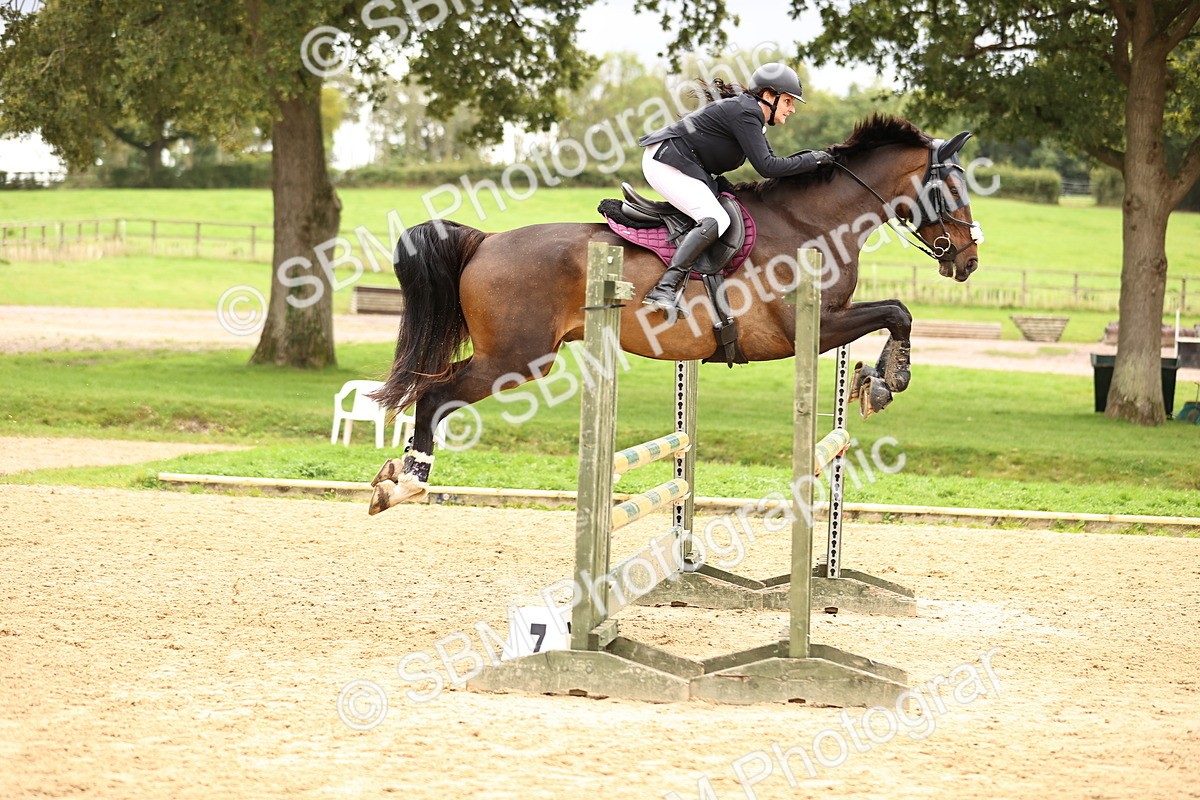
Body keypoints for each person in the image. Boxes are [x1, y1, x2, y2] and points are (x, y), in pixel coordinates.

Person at [638, 62, 833, 313]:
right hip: (666, 161)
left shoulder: (750, 114)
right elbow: (768, 167)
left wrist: (811, 160)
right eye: (787, 101)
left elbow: (772, 161)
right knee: (715, 218)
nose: (792, 109)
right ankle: (663, 288)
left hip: (681, 162)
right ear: (768, 96)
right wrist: (814, 159)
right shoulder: (746, 113)